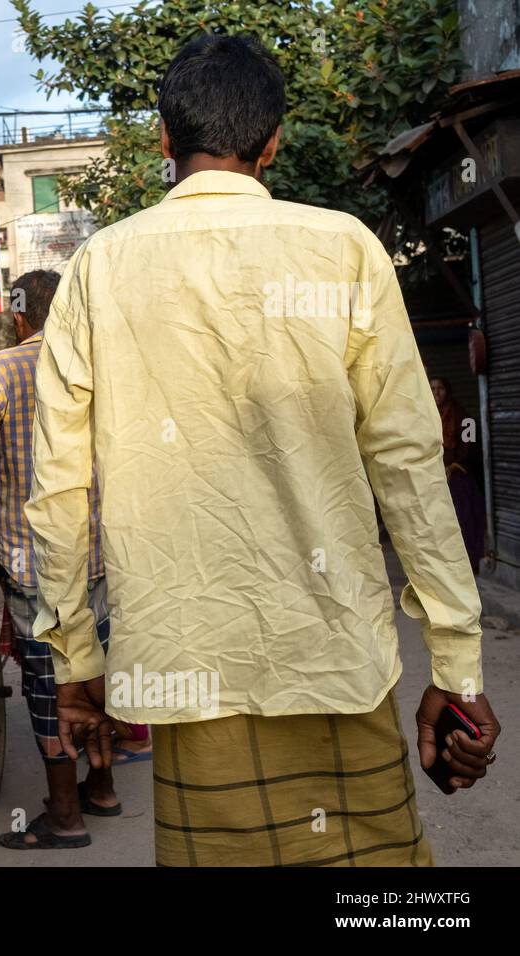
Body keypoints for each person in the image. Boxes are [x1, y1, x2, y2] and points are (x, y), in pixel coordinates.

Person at [26, 34, 500, 866]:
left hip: (185, 666)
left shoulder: (99, 267)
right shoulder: (343, 248)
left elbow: (59, 487)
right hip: (336, 658)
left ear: (163, 140)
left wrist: (74, 655)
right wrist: (457, 665)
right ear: (273, 141)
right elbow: (408, 462)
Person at [0, 270, 128, 850]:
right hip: (98, 553)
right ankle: (101, 788)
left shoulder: (2, 368)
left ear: (20, 317)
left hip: (32, 562)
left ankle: (66, 816)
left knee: (50, 685)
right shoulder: (98, 365)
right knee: (95, 669)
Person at [431, 376, 487, 571]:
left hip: (460, 478)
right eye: (432, 389)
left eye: (441, 389)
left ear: (449, 391)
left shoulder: (465, 418)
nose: (436, 393)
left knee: (464, 522)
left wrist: (454, 466)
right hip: (436, 477)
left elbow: (471, 450)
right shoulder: (429, 417)